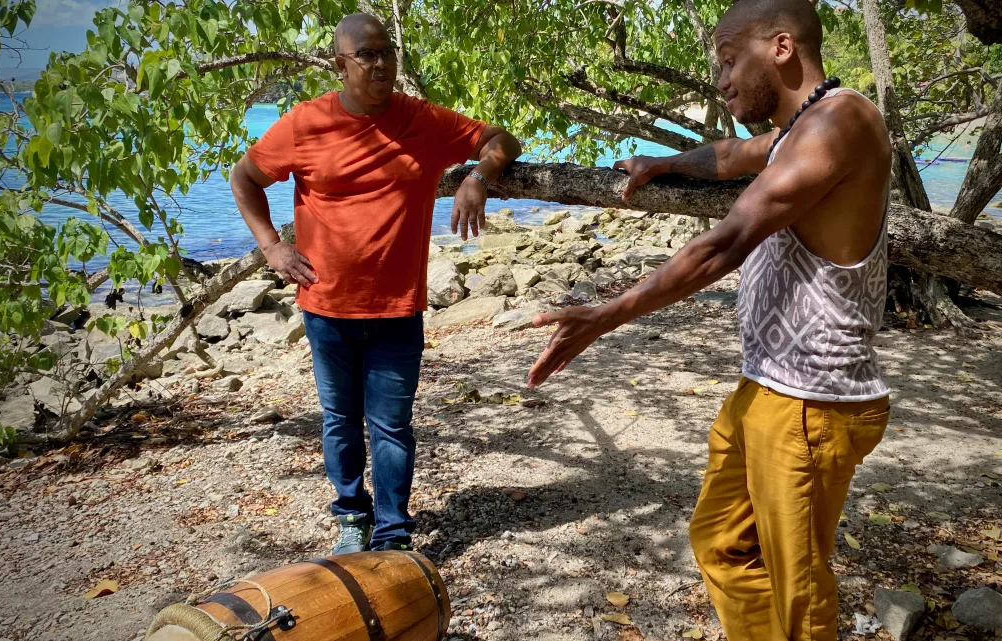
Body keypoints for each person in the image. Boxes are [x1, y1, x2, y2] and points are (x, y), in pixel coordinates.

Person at [526, 0, 891, 638]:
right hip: (767, 387)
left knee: (798, 594)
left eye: (728, 60)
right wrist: (662, 164)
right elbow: (730, 156)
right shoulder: (799, 129)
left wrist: (603, 317)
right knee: (721, 542)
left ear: (781, 48)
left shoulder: (842, 122)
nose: (720, 81)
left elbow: (720, 247)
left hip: (813, 403)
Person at [230, 14, 521, 554]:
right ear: (341, 64)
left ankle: (392, 531)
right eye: (366, 54)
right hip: (326, 306)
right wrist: (273, 246)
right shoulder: (304, 124)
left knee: (391, 427)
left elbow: (502, 138)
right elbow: (243, 177)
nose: (381, 62)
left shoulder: (423, 120)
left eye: (386, 51)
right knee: (340, 422)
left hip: (396, 309)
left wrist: (479, 178)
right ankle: (350, 519)